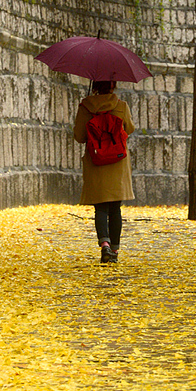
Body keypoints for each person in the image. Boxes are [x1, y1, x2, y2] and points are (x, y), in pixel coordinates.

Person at [73, 80, 135, 264]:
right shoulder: (121, 106)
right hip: (117, 162)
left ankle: (105, 245)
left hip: (96, 161)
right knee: (115, 208)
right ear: (113, 85)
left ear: (94, 85)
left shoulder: (86, 107)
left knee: (100, 208)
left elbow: (79, 136)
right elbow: (129, 129)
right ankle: (115, 250)